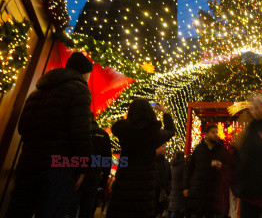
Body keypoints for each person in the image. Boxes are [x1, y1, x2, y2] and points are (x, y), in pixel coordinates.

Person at [6, 52, 93, 218]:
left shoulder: (37, 91)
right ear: (85, 72)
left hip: (28, 162)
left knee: (18, 211)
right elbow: (81, 133)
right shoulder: (80, 90)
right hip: (58, 166)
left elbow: (22, 127)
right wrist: (83, 167)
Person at [106, 99, 175, 218]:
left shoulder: (124, 131)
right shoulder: (154, 134)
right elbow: (171, 131)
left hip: (124, 185)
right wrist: (165, 112)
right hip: (144, 189)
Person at [66, 113, 112, 218]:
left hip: (76, 175)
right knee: (87, 210)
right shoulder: (103, 135)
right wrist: (103, 183)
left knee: (70, 209)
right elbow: (107, 161)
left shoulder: (80, 132)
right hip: (93, 177)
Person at [184, 123, 228, 218]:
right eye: (213, 132)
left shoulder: (221, 150)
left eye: (217, 132)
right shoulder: (199, 149)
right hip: (198, 192)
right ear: (206, 134)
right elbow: (190, 168)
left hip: (213, 194)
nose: (216, 134)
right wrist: (186, 186)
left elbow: (229, 167)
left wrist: (222, 166)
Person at [167, 152, 186, 218]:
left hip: (172, 193)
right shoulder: (183, 166)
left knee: (169, 212)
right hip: (179, 194)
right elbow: (184, 180)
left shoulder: (172, 166)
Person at [155, 143, 171, 217]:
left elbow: (169, 178)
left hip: (160, 197)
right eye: (162, 146)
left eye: (164, 146)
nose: (164, 148)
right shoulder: (150, 161)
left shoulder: (166, 162)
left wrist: (168, 191)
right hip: (150, 196)